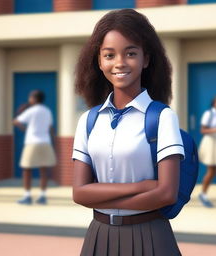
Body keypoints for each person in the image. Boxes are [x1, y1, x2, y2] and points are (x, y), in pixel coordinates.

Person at [72, 9, 185, 256]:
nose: (120, 63)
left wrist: (100, 197)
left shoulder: (162, 117)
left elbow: (166, 193)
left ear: (146, 59)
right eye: (109, 55)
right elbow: (79, 192)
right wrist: (142, 186)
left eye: (131, 53)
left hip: (151, 236)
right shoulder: (88, 121)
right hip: (99, 236)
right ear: (99, 61)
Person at [13, 90, 56, 205]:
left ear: (34, 98)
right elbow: (51, 128)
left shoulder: (30, 110)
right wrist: (53, 142)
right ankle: (42, 196)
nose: (29, 99)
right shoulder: (47, 111)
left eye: (30, 97)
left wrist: (25, 128)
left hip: (32, 143)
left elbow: (16, 121)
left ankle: (27, 196)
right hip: (45, 142)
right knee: (44, 170)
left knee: (27, 169)